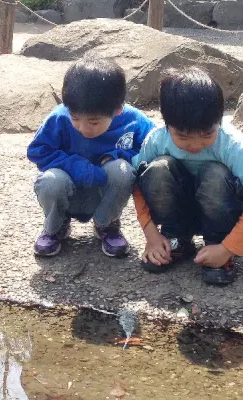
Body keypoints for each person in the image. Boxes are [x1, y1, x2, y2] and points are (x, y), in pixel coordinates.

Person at [132, 67, 243, 286]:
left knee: (215, 173)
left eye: (207, 134)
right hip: (179, 211)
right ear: (167, 125)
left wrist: (227, 248)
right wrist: (151, 236)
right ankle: (176, 239)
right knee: (157, 169)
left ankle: (216, 243)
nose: (195, 145)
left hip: (221, 211)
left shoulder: (231, 145)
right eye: (183, 137)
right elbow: (137, 185)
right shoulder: (157, 140)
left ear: (219, 121)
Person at [27, 56, 156, 257]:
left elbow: (153, 148)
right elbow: (38, 151)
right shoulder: (59, 117)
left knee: (121, 171)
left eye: (94, 122)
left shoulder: (134, 121)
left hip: (105, 193)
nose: (83, 128)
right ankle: (55, 227)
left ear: (118, 110)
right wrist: (75, 165)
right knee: (50, 181)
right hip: (67, 188)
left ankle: (107, 225)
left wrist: (117, 156)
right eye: (76, 118)